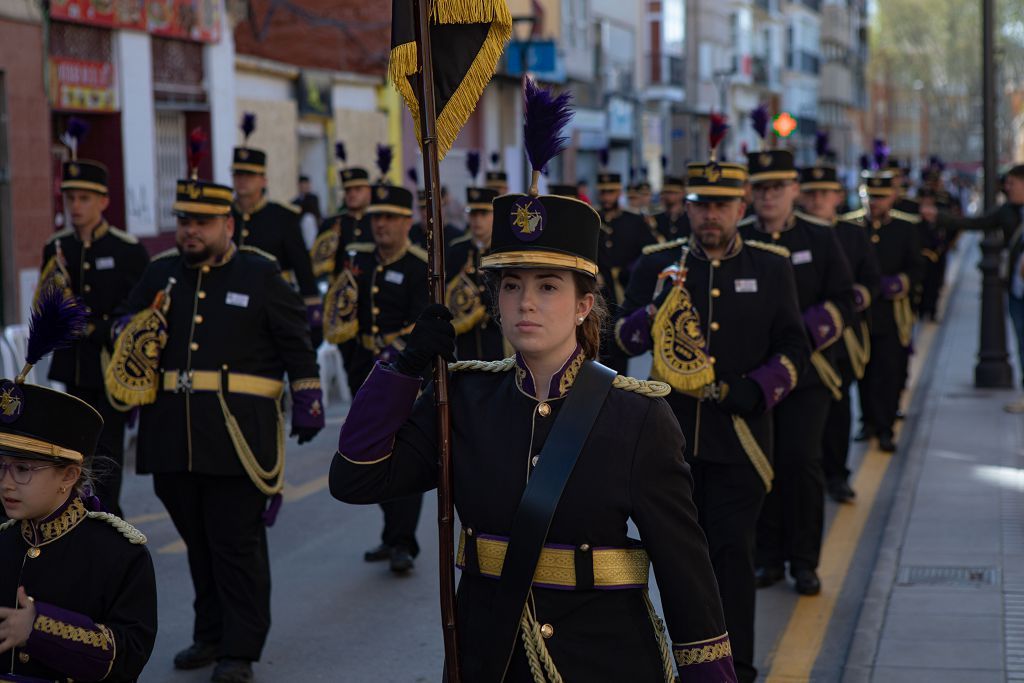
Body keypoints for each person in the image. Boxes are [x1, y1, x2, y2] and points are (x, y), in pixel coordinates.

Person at [330, 168, 738, 683]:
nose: (526, 301)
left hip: (604, 659)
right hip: (489, 656)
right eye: (511, 285)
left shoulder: (637, 416)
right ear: (495, 302)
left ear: (583, 305)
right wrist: (404, 372)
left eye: (548, 286)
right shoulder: (463, 400)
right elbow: (355, 479)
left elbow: (686, 571)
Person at [118, 174, 324, 683]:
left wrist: (308, 398)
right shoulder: (161, 273)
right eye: (184, 221)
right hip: (172, 433)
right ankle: (209, 634)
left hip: (238, 435)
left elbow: (296, 341)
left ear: (227, 224)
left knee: (235, 544)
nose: (190, 231)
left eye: (202, 223)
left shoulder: (261, 274)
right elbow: (126, 330)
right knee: (198, 541)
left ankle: (240, 647)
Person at [615, 156, 809, 683]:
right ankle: (678, 665)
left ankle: (736, 670)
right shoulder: (657, 263)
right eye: (701, 204)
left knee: (731, 557)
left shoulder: (770, 266)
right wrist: (652, 310)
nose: (710, 216)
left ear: (741, 207)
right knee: (674, 563)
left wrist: (758, 389)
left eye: (722, 205)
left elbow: (795, 346)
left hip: (740, 439)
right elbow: (620, 340)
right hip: (667, 444)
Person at [0, 289, 157, 682]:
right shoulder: (3, 543)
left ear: (69, 475)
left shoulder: (117, 553)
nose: (6, 483)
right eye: (1, 467)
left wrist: (41, 630)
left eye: (23, 469)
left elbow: (129, 655)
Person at [738, 149, 855, 596]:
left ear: (793, 191)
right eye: (761, 188)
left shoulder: (820, 239)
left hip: (807, 373)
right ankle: (768, 558)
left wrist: (802, 335)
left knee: (801, 462)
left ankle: (805, 562)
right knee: (760, 464)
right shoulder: (741, 238)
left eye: (777, 187)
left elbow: (843, 298)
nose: (769, 196)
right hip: (755, 375)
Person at [324, 182, 428, 573]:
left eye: (389, 218)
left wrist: (399, 361)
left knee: (401, 455)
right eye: (375, 217)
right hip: (363, 368)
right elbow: (344, 308)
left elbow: (421, 322)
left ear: (406, 222)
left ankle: (404, 541)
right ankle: (390, 534)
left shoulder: (418, 264)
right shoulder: (358, 257)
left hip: (403, 374)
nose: (380, 225)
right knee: (370, 452)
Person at [38, 158, 149, 517]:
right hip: (73, 370)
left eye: (85, 198)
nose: (76, 207)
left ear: (103, 202)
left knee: (106, 458)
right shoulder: (56, 248)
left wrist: (89, 326)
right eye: (70, 199)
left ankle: (109, 524)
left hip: (109, 369)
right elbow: (47, 304)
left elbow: (134, 314)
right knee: (72, 456)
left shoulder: (126, 250)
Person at [799, 162, 881, 503]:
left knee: (837, 410)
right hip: (794, 343)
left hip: (839, 340)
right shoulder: (792, 235)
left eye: (825, 193)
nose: (818, 200)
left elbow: (871, 279)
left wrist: (853, 298)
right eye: (811, 193)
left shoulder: (851, 234)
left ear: (837, 196)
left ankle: (837, 476)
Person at [841, 171, 924, 452]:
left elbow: (917, 266)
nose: (874, 202)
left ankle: (886, 426)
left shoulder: (904, 228)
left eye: (880, 197)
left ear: (892, 197)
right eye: (869, 196)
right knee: (861, 371)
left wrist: (902, 282)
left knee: (887, 371)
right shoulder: (850, 227)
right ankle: (868, 422)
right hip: (861, 313)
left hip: (891, 312)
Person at [943, 164, 1024, 411]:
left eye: (1012, 183)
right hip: (1017, 288)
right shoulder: (1007, 212)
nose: (1006, 188)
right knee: (1021, 340)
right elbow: (979, 223)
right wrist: (942, 219)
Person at [230, 145, 323, 346]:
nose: (242, 179)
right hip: (231, 305)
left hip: (274, 304)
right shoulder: (223, 216)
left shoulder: (283, 216)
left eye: (250, 174)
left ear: (263, 180)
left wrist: (313, 315)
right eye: (238, 174)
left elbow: (302, 267)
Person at [595, 171, 660, 373]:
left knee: (618, 338)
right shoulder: (593, 219)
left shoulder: (634, 221)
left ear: (619, 192)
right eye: (603, 193)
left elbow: (650, 253)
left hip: (625, 289)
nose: (607, 197)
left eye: (611, 192)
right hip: (597, 289)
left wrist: (630, 272)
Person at [446, 186, 504, 361]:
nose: (477, 220)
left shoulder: (503, 250)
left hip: (498, 337)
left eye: (483, 214)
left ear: (495, 216)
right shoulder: (457, 250)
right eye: (473, 214)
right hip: (466, 339)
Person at [312, 159, 372, 277]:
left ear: (369, 191)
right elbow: (318, 263)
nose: (352, 194)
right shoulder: (331, 223)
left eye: (358, 189)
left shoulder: (376, 222)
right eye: (348, 190)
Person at [653, 174, 690, 241]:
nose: (666, 196)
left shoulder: (690, 219)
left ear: (682, 194)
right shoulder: (656, 220)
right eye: (664, 193)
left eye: (671, 192)